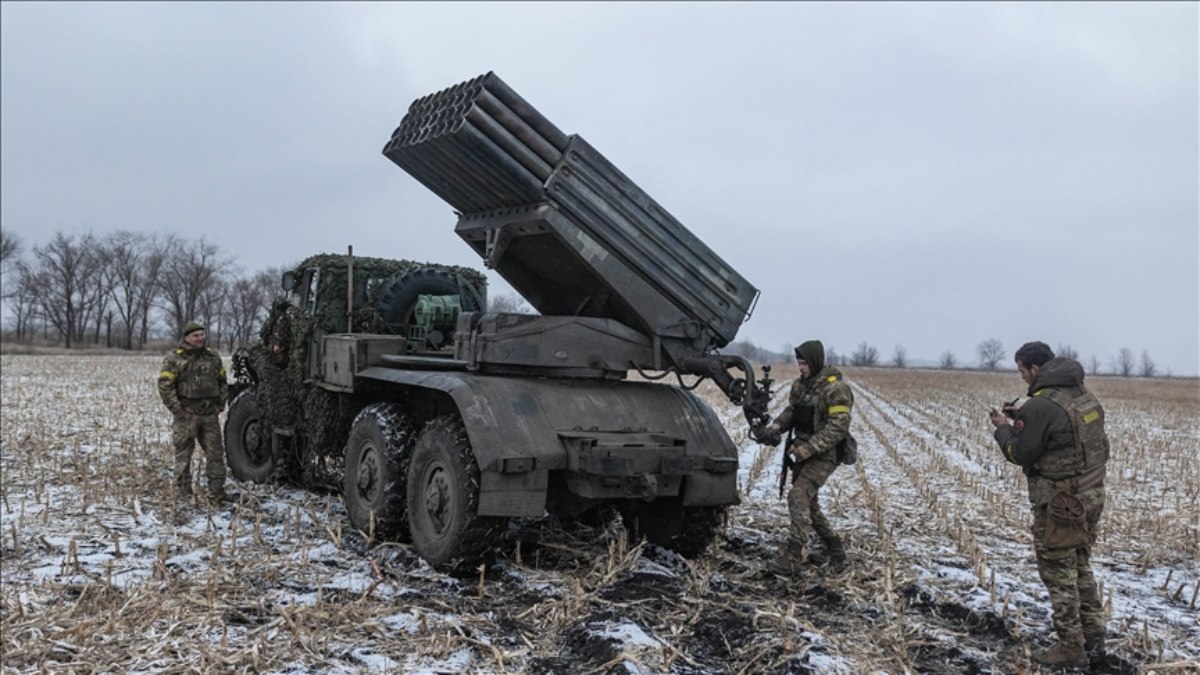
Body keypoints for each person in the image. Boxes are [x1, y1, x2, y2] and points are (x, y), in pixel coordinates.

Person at [989, 341, 1109, 667]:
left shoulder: (1040, 406)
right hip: (1090, 496)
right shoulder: (1083, 396)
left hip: (1059, 505)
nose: (1023, 378)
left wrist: (1003, 429)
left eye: (1022, 371)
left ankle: (1070, 648)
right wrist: (1024, 419)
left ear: (1035, 368)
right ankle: (1094, 635)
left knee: (1058, 573)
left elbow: (1020, 453)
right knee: (1081, 564)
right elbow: (1065, 436)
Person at [759, 340, 853, 576]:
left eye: (804, 363)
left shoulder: (836, 390)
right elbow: (792, 412)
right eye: (798, 363)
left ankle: (793, 556)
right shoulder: (801, 386)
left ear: (815, 362)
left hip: (825, 455)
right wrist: (776, 427)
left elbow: (837, 428)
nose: (801, 368)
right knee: (808, 506)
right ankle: (836, 550)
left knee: (798, 495)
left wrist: (808, 449)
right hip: (802, 451)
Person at [158, 321, 231, 503]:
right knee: (183, 454)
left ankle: (217, 492)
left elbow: (222, 381)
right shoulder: (175, 359)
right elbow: (165, 387)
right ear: (187, 338)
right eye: (195, 336)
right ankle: (184, 494)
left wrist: (220, 404)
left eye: (202, 335)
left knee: (215, 453)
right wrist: (178, 411)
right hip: (186, 414)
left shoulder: (213, 357)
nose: (200, 338)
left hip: (209, 415)